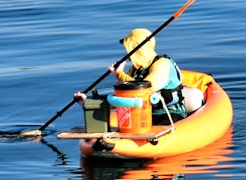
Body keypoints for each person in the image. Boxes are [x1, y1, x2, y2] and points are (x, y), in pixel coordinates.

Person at [76, 28, 204, 124]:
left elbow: (145, 89)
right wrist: (88, 102)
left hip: (169, 114)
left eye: (131, 47)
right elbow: (123, 97)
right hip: (142, 115)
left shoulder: (162, 64)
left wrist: (120, 75)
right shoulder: (135, 69)